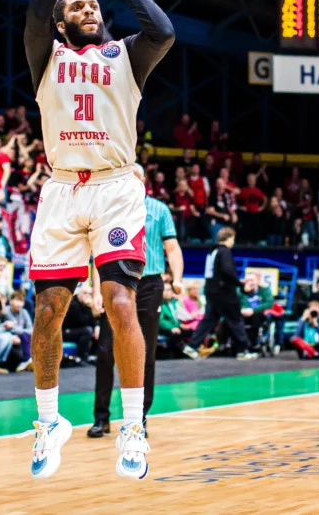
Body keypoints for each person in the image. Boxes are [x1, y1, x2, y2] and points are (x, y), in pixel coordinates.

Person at [21, 0, 174, 480]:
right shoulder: (47, 57)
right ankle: (48, 421)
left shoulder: (128, 56)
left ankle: (132, 427)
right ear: (62, 26)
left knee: (120, 304)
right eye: (75, 8)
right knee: (48, 311)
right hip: (61, 190)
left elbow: (164, 31)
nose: (85, 10)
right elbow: (36, 11)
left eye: (90, 5)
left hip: (114, 186)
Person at [89, 164, 185, 439]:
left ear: (142, 181)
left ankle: (137, 418)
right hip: (115, 280)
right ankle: (101, 418)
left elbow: (172, 247)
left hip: (150, 282)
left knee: (147, 352)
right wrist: (96, 290)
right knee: (106, 350)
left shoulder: (159, 210)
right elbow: (98, 254)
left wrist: (176, 277)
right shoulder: (109, 209)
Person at [183, 227, 259, 361]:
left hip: (211, 291)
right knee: (236, 320)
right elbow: (227, 271)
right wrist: (241, 285)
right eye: (233, 239)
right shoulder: (225, 252)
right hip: (224, 293)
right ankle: (243, 350)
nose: (233, 242)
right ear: (229, 238)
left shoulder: (212, 251)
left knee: (208, 320)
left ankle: (192, 346)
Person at [3, 289, 34, 372]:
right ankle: (27, 360)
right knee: (25, 336)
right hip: (10, 336)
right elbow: (10, 329)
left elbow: (31, 329)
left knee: (28, 336)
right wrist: (23, 330)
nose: (19, 304)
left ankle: (27, 361)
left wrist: (21, 330)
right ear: (10, 301)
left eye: (21, 301)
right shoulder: (6, 311)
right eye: (17, 300)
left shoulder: (24, 312)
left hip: (23, 336)